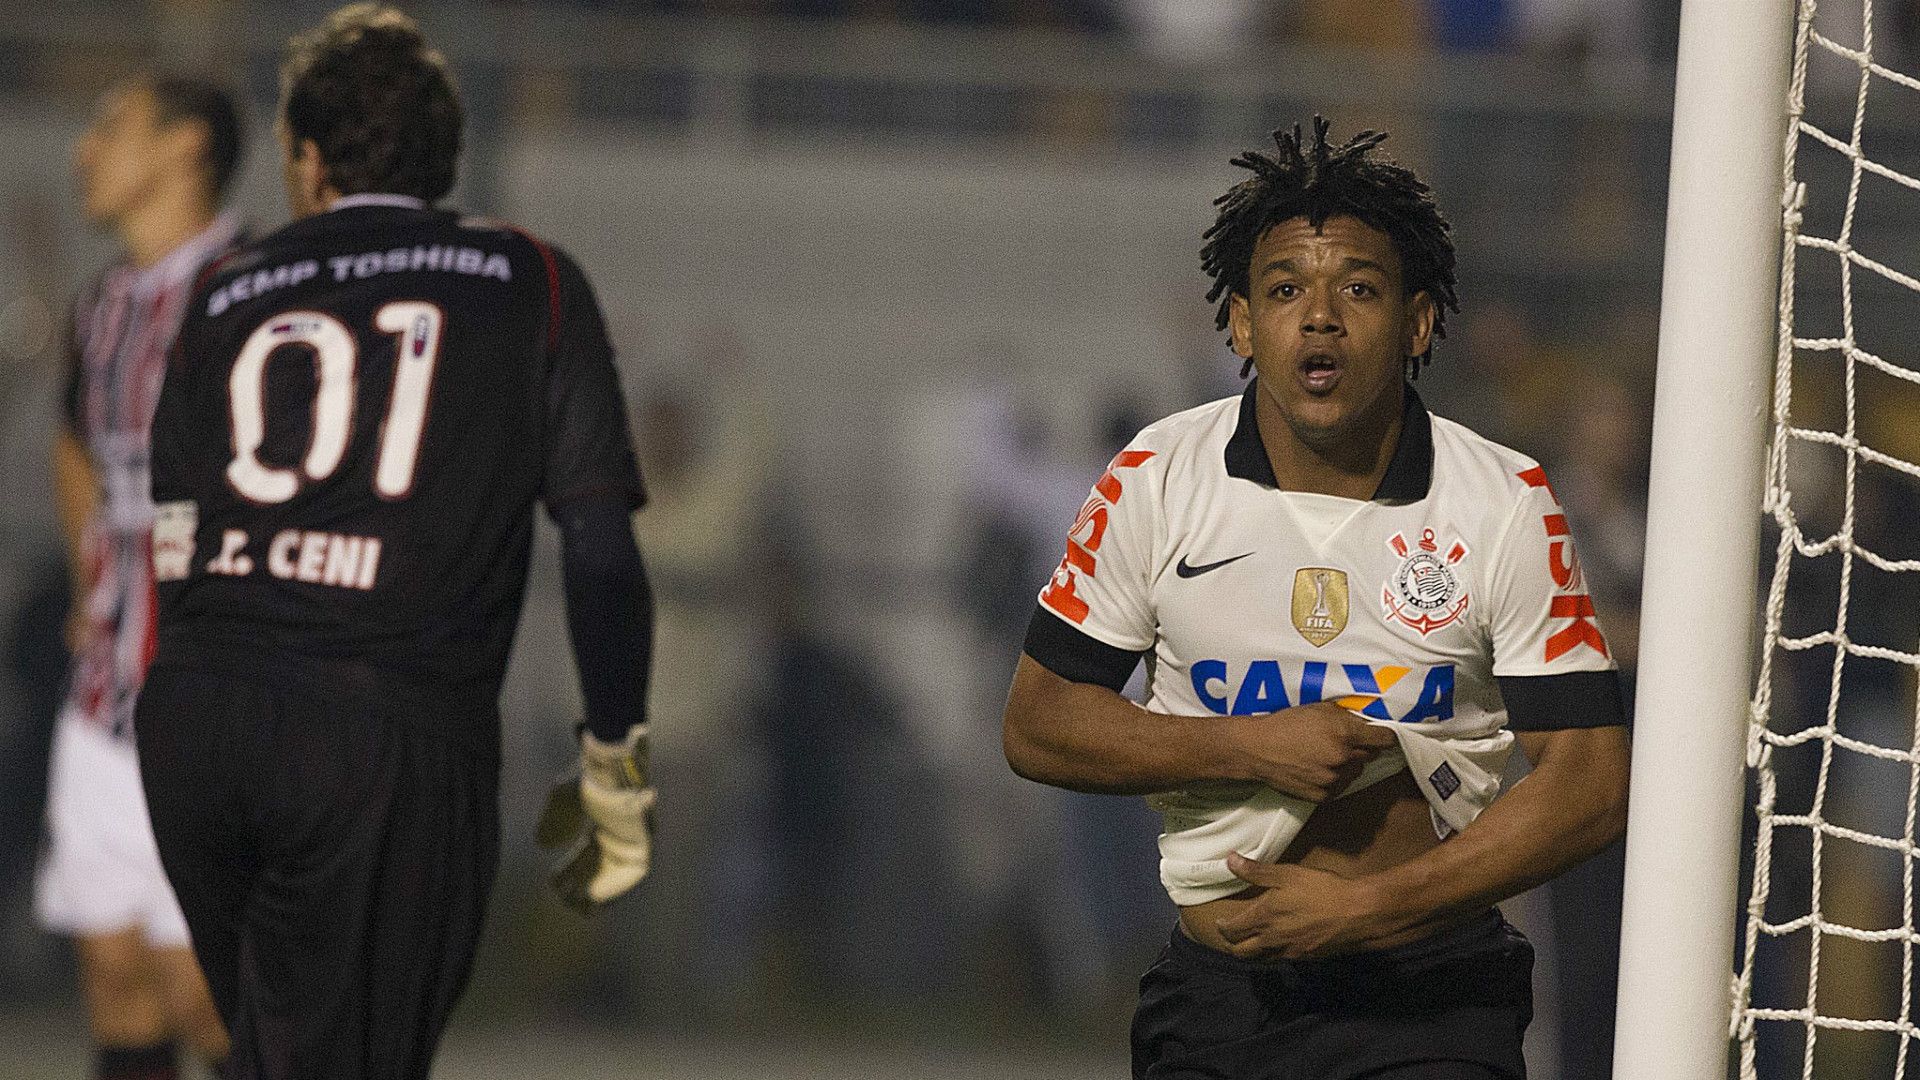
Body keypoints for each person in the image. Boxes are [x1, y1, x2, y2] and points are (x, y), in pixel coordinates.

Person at [1002, 118, 1631, 1079]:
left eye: (1360, 289)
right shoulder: (1156, 478)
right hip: (1219, 1000)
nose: (1321, 315)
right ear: (1245, 323)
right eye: (1287, 289)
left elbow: (1591, 778)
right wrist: (1244, 743)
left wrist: (1371, 907)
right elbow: (1038, 724)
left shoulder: (1503, 500)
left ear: (1420, 322)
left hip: (1428, 999)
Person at [133, 6, 656, 1078]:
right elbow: (599, 549)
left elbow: (172, 541)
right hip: (378, 734)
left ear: (311, 160)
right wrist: (613, 761)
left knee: (272, 1049)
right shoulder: (532, 281)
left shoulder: (224, 291)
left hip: (196, 718)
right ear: (443, 160)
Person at [38, 72, 245, 1080]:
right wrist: (90, 587)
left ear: (186, 146)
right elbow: (75, 440)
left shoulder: (253, 289)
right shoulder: (104, 305)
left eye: (112, 126)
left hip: (210, 698)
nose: (86, 149)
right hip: (104, 692)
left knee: (204, 993)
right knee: (115, 974)